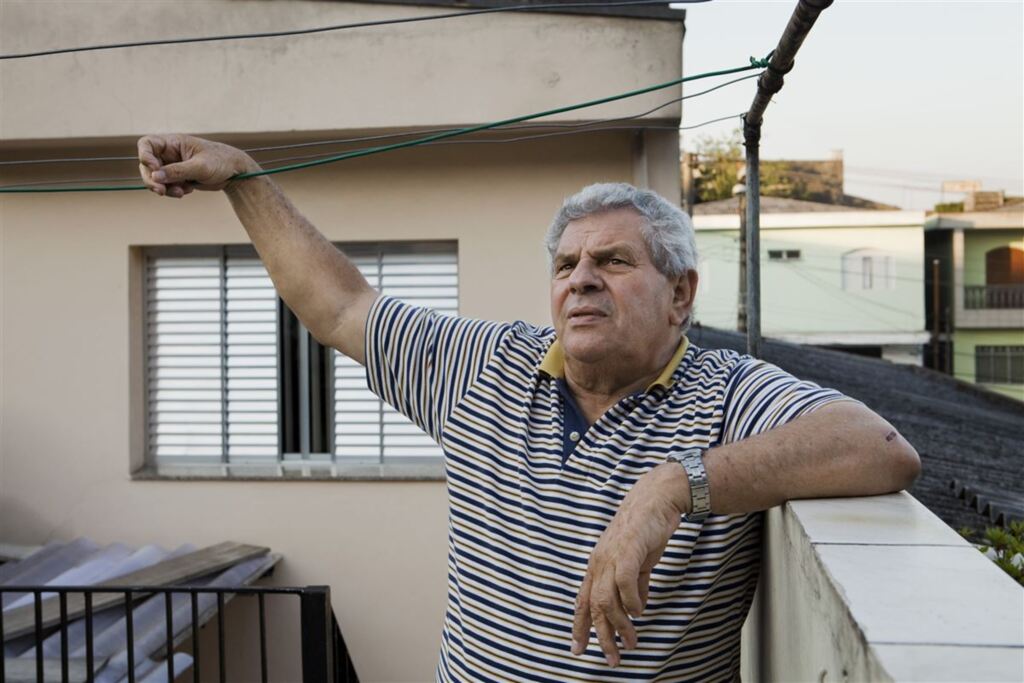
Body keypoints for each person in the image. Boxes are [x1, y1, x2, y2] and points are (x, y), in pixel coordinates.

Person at [138, 134, 921, 682]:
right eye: (565, 263)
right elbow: (340, 306)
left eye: (613, 260)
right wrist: (242, 177)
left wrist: (671, 486)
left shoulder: (726, 393)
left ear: (681, 294)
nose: (581, 279)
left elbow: (879, 446)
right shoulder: (485, 367)